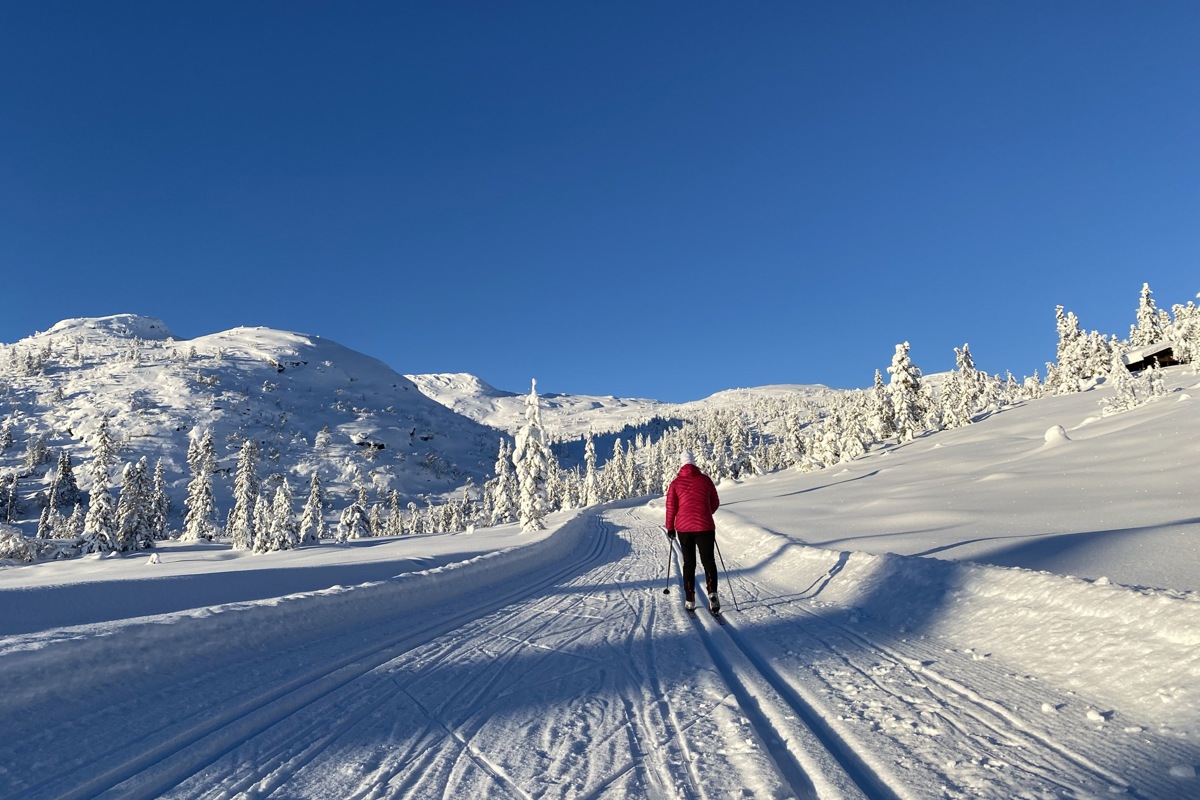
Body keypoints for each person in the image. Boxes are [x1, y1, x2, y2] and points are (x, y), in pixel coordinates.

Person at [665, 450, 721, 612]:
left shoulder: (675, 483)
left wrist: (670, 527)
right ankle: (712, 593)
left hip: (684, 529)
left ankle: (689, 598)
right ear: (694, 463)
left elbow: (671, 508)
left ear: (682, 464)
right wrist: (704, 514)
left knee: (689, 563)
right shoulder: (705, 480)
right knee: (708, 561)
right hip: (706, 527)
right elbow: (715, 502)